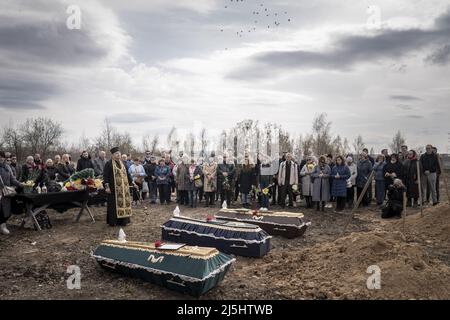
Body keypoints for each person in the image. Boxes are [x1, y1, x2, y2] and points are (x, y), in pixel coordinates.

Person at [103, 147, 133, 226]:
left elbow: (128, 174)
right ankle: (113, 222)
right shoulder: (108, 163)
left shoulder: (123, 163)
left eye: (119, 153)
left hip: (124, 189)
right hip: (113, 189)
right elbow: (105, 176)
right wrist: (107, 186)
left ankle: (123, 221)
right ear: (112, 155)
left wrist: (132, 182)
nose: (118, 155)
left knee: (123, 204)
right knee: (113, 205)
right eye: (116, 153)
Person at [0, 151, 23, 235]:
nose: (1, 158)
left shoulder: (7, 167)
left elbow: (12, 179)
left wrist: (20, 184)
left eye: (2, 157)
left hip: (7, 192)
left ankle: (3, 225)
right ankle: (2, 226)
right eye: (0, 157)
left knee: (6, 210)